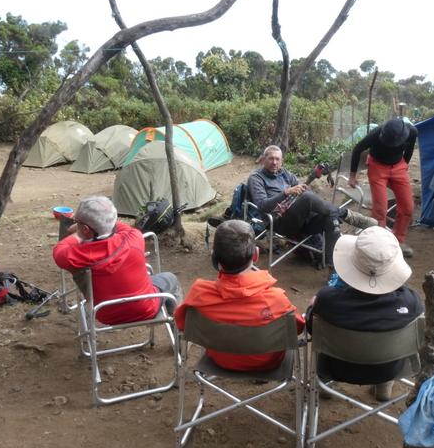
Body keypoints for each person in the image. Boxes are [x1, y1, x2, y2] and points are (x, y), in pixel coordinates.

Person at [307, 226, 423, 402]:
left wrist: (313, 307)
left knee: (326, 337)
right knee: (388, 344)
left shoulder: (327, 299)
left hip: (336, 367)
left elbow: (311, 329)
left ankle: (326, 383)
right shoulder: (410, 301)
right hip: (388, 368)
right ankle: (384, 384)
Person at [174, 219, 303, 371]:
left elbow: (182, 324)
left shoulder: (199, 294)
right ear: (255, 255)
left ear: (214, 258)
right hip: (267, 363)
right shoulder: (276, 299)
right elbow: (297, 328)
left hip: (220, 360)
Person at [53, 195, 182, 325]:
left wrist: (78, 233)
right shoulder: (134, 237)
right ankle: (179, 328)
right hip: (146, 309)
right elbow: (116, 226)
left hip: (105, 314)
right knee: (170, 278)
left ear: (85, 229)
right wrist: (93, 223)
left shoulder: (74, 255)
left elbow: (60, 248)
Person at [247, 145, 376, 267]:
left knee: (330, 219)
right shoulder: (256, 178)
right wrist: (286, 192)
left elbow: (303, 190)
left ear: (282, 161)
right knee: (307, 198)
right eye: (271, 158)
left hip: (303, 219)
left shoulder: (284, 173)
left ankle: (331, 263)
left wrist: (305, 188)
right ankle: (346, 214)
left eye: (277, 159)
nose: (274, 162)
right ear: (263, 160)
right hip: (279, 222)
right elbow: (262, 205)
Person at [348, 117, 417, 257]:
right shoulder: (376, 134)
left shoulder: (412, 132)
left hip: (398, 167)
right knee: (380, 210)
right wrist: (352, 176)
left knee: (408, 207)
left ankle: (398, 241)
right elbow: (357, 149)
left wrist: (404, 166)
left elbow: (409, 149)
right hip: (377, 167)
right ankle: (379, 244)